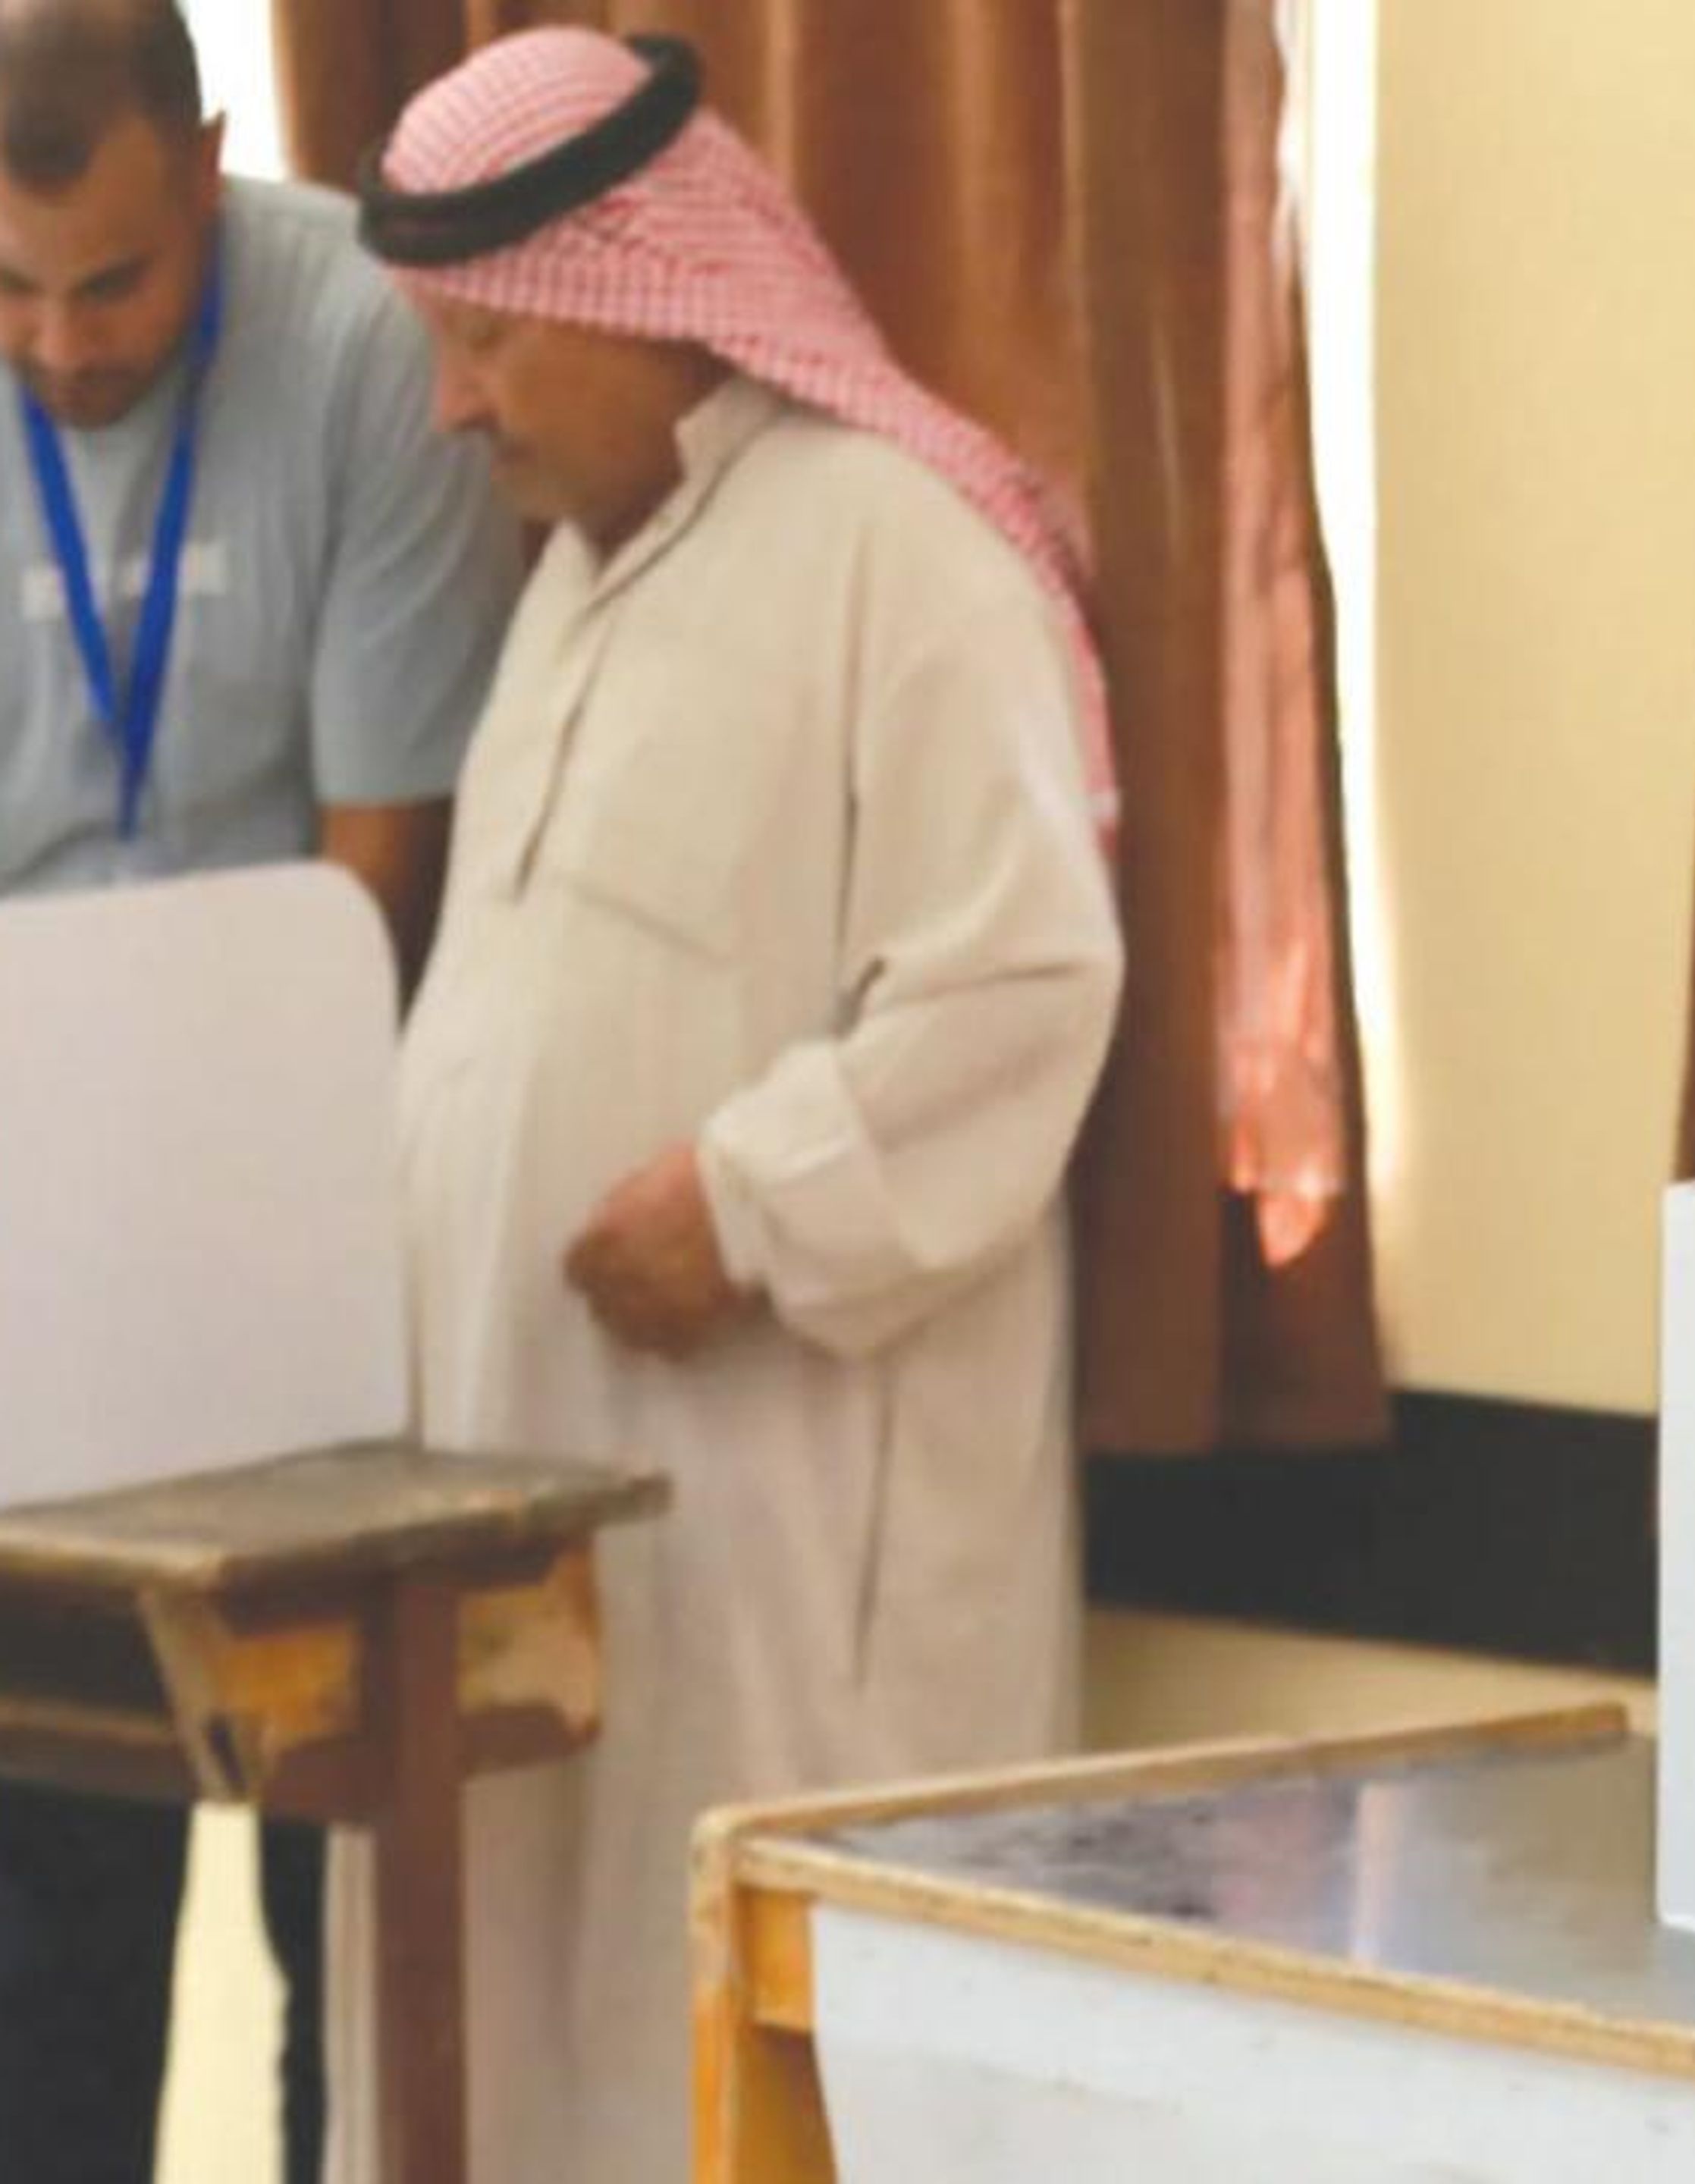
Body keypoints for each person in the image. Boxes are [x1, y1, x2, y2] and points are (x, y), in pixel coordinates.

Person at [333, 27, 1123, 2182]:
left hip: (775, 1547)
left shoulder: (900, 555)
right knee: (508, 2047)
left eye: (488, 338)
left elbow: (1022, 989)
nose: (452, 405)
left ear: (638, 291)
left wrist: (755, 1206)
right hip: (524, 1537)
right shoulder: (577, 588)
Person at [0, 5, 517, 2182]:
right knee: (43, 1950)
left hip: (306, 1233)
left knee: (341, 1931)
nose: (61, 348)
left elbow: (376, 876)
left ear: (209, 169)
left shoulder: (368, 349)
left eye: (112, 283)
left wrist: (190, 1171)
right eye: (11, 289)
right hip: (26, 1261)